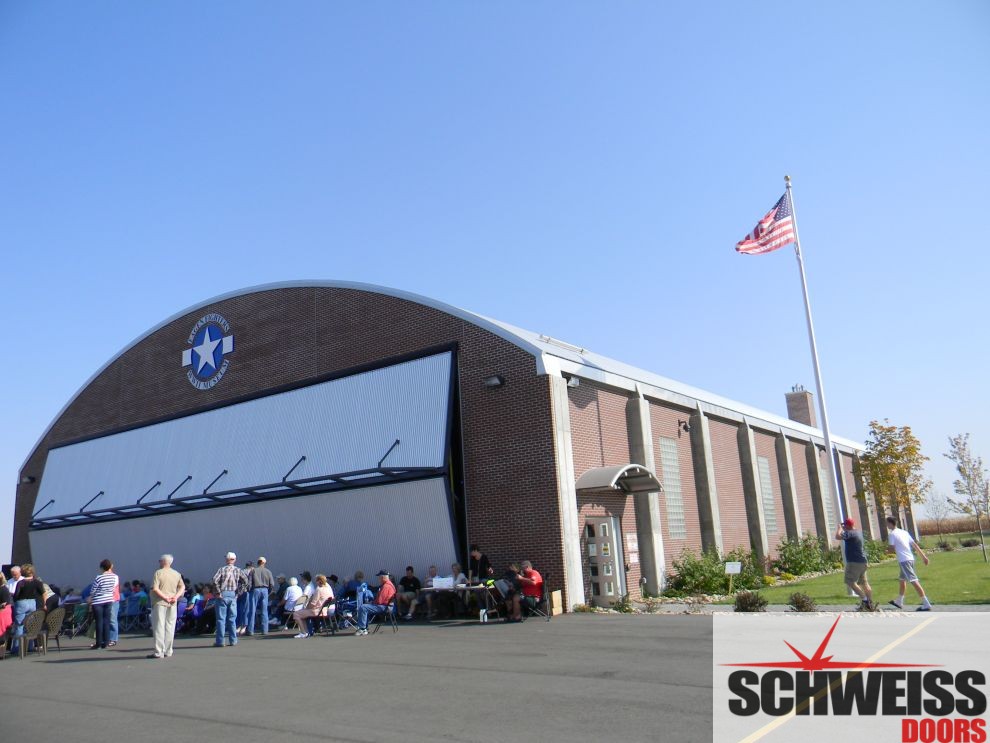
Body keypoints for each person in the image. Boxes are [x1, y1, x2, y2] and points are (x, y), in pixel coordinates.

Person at [886, 516, 932, 611]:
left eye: (887, 523)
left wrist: (885, 552)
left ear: (891, 523)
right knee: (902, 580)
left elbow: (891, 548)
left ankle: (926, 603)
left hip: (904, 561)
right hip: (910, 559)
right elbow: (914, 545)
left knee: (914, 581)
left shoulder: (892, 534)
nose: (886, 525)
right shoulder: (904, 532)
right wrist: (924, 557)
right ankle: (899, 601)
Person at [149, 554, 185, 659]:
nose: (159, 562)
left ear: (163, 562)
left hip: (160, 602)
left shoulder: (158, 573)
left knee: (159, 627)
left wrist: (165, 597)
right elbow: (182, 587)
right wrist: (176, 597)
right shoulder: (177, 574)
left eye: (160, 560)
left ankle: (159, 651)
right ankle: (168, 650)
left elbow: (155, 588)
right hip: (172, 603)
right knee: (170, 626)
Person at [835, 518, 875, 611]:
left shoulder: (850, 533)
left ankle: (865, 600)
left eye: (845, 525)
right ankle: (870, 603)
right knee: (864, 582)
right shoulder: (858, 532)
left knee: (850, 581)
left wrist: (839, 529)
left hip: (854, 562)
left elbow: (837, 537)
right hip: (863, 561)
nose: (844, 526)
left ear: (848, 526)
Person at [212, 551, 249, 647]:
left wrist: (218, 592)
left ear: (226, 560)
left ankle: (220, 641)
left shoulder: (221, 569)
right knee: (232, 619)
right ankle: (233, 640)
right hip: (233, 595)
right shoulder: (238, 570)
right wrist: (239, 593)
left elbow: (215, 580)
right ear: (234, 560)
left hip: (222, 594)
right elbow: (246, 581)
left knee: (221, 619)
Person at [12, 563, 46, 652]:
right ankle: (29, 646)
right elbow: (43, 593)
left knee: (20, 625)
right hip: (32, 603)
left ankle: (18, 648)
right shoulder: (37, 582)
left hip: (21, 603)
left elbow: (16, 595)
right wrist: (44, 604)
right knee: (30, 625)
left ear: (23, 572)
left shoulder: (21, 583)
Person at [87, 559, 119, 650]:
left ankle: (98, 643)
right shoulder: (115, 577)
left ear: (102, 568)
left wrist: (90, 598)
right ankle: (106, 642)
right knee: (106, 621)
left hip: (98, 601)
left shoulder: (99, 577)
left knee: (99, 622)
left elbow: (93, 590)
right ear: (110, 567)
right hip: (109, 600)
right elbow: (114, 588)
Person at [354, 570, 396, 636]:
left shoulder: (386, 587)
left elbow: (380, 601)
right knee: (366, 607)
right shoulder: (390, 585)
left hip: (384, 607)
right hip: (388, 606)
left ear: (382, 577)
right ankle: (365, 627)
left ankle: (362, 629)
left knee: (363, 607)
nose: (379, 579)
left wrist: (372, 602)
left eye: (379, 577)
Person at [246, 556, 276, 636]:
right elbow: (272, 584)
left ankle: (250, 630)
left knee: (252, 610)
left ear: (258, 562)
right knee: (264, 610)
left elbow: (249, 583)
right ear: (264, 563)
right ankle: (264, 630)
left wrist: (249, 590)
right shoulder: (268, 571)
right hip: (265, 590)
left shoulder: (253, 571)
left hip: (255, 590)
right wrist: (268, 591)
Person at [0, 571, 13, 639]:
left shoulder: (3, 589)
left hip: (3, 612)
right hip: (5, 611)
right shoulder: (4, 588)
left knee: (3, 630)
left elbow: (4, 603)